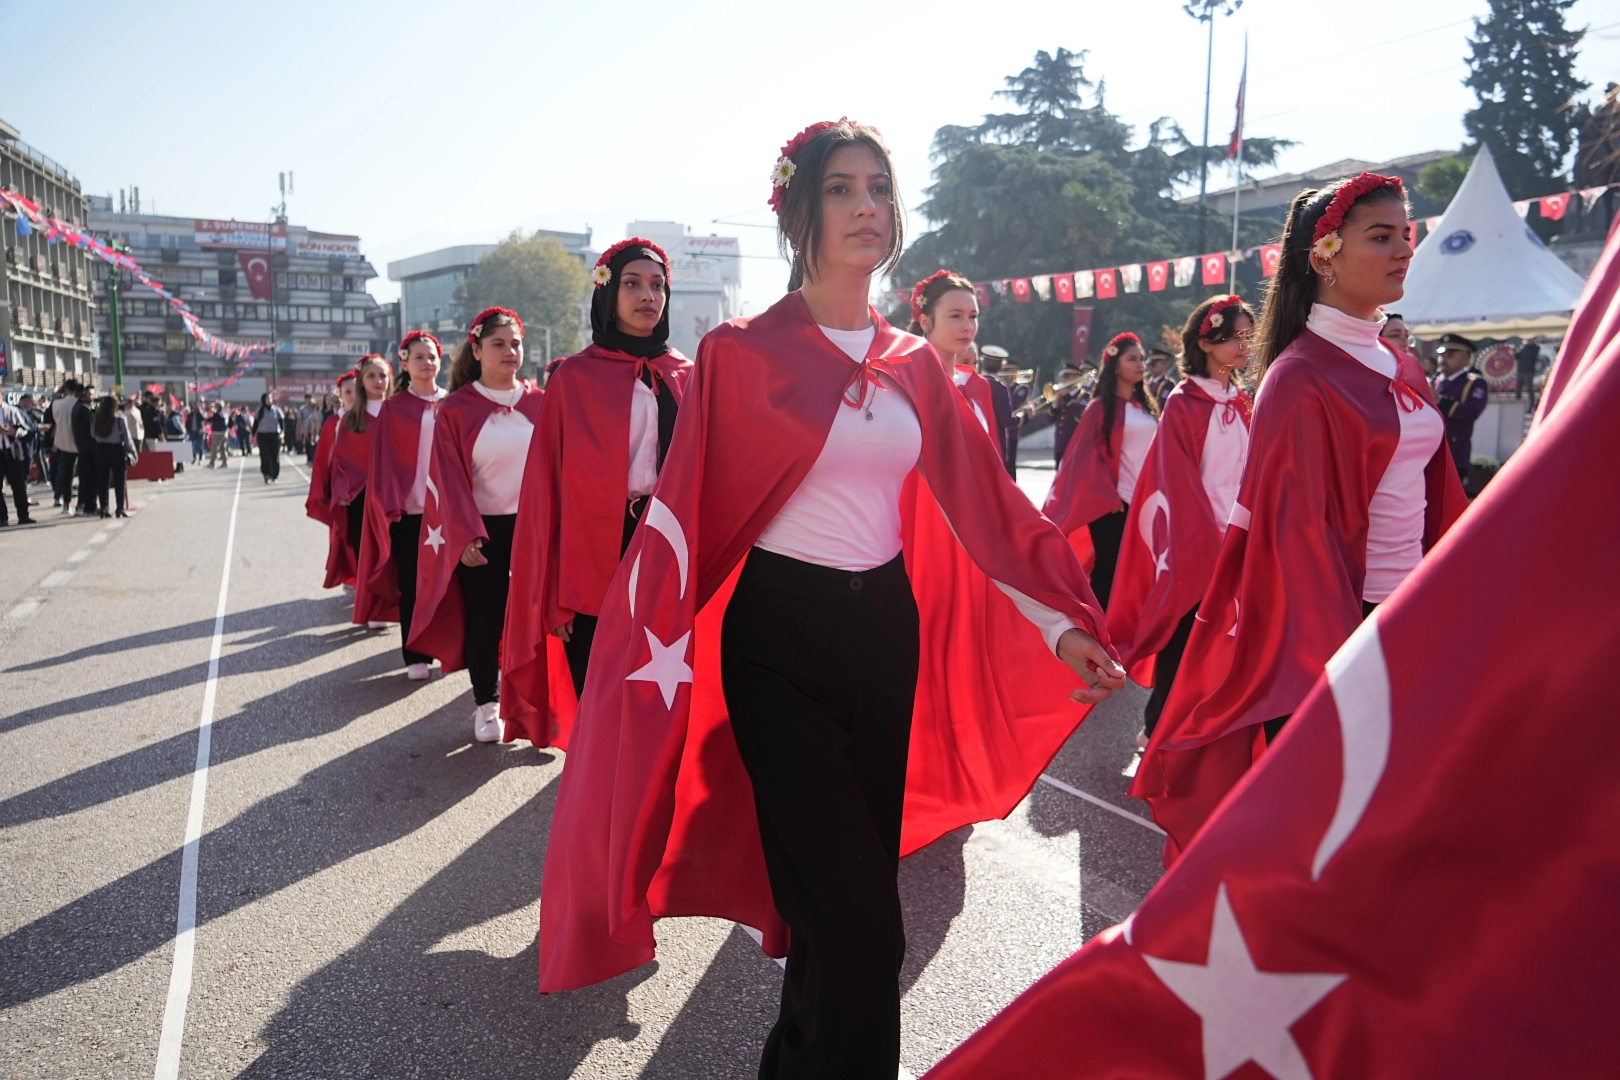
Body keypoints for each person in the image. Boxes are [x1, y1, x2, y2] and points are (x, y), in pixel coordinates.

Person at [537, 118, 1123, 1080]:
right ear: (800, 211)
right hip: (778, 648)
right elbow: (685, 515)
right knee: (861, 927)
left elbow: (987, 504)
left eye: (880, 189)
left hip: (885, 640)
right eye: (844, 188)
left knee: (829, 923)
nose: (867, 207)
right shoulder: (740, 352)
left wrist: (1060, 624)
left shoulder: (913, 361)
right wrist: (625, 643)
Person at [1131, 172, 1468, 865]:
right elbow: (1298, 543)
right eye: (1382, 236)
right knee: (1327, 850)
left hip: (1409, 620)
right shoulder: (1299, 375)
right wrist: (1347, 662)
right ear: (1325, 254)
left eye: (1406, 234)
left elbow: (1446, 507)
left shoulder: (1402, 367)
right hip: (1340, 641)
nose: (1404, 249)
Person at [501, 239, 694, 748]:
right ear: (608, 294)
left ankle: (646, 814)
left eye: (657, 286)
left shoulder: (687, 376)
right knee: (599, 695)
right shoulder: (574, 379)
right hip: (592, 557)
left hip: (667, 550)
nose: (647, 295)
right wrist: (556, 597)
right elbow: (547, 493)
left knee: (661, 691)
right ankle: (599, 814)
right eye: (632, 284)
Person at [1105, 296, 1254, 752]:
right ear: (1206, 340)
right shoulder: (1184, 402)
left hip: (1242, 541)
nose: (1244, 346)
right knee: (1184, 638)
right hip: (1197, 544)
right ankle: (1157, 730)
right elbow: (1177, 480)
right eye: (1235, 336)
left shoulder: (1246, 402)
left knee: (1232, 643)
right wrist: (1206, 542)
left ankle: (1210, 735)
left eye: (1249, 336)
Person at [408, 308, 544, 743]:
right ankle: (487, 704)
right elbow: (446, 477)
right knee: (486, 622)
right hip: (483, 532)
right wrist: (464, 534)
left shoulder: (541, 402)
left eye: (516, 343)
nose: (510, 351)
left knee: (539, 619)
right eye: (499, 344)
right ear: (478, 350)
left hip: (536, 531)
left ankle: (538, 705)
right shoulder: (457, 409)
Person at [1042, 331, 1161, 610]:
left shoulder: (1146, 407)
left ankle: (1127, 628)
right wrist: (1108, 497)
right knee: (1109, 569)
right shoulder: (1099, 409)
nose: (1140, 364)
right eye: (1132, 359)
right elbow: (1082, 459)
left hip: (1144, 503)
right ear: (1115, 365)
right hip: (1112, 505)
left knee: (1139, 569)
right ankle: (1099, 627)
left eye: (1142, 359)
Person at [354, 332, 447, 680]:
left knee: (445, 584)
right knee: (412, 583)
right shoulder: (394, 408)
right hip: (409, 514)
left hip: (447, 513)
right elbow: (384, 463)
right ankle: (415, 654)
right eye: (419, 357)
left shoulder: (453, 403)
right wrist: (390, 506)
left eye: (432, 356)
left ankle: (444, 646)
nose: (427, 363)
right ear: (405, 363)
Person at [331, 356, 391, 621]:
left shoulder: (399, 411)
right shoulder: (350, 420)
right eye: (371, 376)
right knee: (365, 551)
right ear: (361, 382)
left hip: (393, 495)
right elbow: (341, 460)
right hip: (360, 496)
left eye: (383, 375)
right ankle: (372, 607)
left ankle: (387, 606)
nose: (378, 381)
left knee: (392, 552)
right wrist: (343, 491)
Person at [908, 269, 998, 438]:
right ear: (925, 322)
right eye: (956, 316)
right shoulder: (908, 385)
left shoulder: (978, 385)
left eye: (973, 316)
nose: (968, 327)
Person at [307, 371, 361, 591]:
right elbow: (322, 460)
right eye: (348, 392)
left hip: (367, 489)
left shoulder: (376, 418)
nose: (353, 395)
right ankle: (352, 578)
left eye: (357, 390)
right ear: (340, 395)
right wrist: (322, 490)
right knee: (344, 535)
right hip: (342, 491)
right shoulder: (334, 422)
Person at [1432, 333, 1489, 478]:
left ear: (1466, 359)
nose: (1444, 359)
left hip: (1454, 454)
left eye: (1450, 355)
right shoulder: (1433, 382)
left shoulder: (1474, 383)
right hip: (1428, 452)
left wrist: (1439, 400)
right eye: (1442, 355)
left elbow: (1471, 412)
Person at [88, 395, 136, 519]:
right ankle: (120, 508)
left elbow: (93, 434)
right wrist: (133, 452)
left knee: (103, 480)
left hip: (101, 449)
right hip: (116, 450)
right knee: (120, 481)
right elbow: (127, 438)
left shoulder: (95, 418)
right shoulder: (120, 419)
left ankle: (104, 508)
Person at [978, 344, 1018, 476]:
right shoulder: (1000, 388)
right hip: (995, 444)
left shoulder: (973, 383)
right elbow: (1007, 420)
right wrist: (1024, 416)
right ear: (1001, 366)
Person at [0, 396, 34, 525]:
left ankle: (23, 515)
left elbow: (26, 429)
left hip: (12, 452)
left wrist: (13, 432)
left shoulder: (12, 411)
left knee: (18, 485)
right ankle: (2, 517)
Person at [1045, 363, 1089, 465]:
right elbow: (1050, 419)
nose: (1063, 380)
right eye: (1062, 377)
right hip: (1060, 444)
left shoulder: (1084, 395)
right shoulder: (1060, 396)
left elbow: (1079, 414)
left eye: (1066, 377)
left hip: (1075, 444)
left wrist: (1068, 397)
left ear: (1076, 378)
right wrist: (1055, 405)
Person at [49, 381, 79, 511]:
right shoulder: (80, 403)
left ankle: (66, 502)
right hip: (80, 441)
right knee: (85, 472)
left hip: (63, 441)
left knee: (66, 472)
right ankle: (84, 503)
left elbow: (56, 420)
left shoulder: (57, 404)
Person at [71, 385, 97, 516]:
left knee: (87, 478)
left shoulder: (81, 407)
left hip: (85, 447)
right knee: (90, 478)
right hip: (88, 447)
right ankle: (89, 506)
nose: (93, 397)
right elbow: (93, 420)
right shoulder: (82, 409)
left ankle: (86, 505)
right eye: (90, 394)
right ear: (82, 394)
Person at [252, 392, 284, 483]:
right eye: (267, 399)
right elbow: (255, 424)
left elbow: (282, 423)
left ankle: (275, 475)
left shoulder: (277, 410)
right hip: (263, 435)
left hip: (274, 435)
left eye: (270, 398)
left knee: (274, 456)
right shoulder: (260, 411)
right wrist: (253, 435)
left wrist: (282, 433)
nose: (269, 400)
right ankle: (266, 475)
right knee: (264, 455)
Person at [1515, 337, 1540, 402]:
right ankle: (1518, 398)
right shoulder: (1523, 347)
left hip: (1529, 371)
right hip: (1521, 370)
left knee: (1529, 388)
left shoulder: (1535, 348)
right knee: (1518, 386)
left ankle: (1531, 403)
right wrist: (1515, 353)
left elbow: (1533, 356)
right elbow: (1518, 357)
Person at [205, 404, 230, 468]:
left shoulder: (218, 414)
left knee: (214, 448)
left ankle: (212, 463)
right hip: (224, 432)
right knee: (223, 448)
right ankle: (225, 463)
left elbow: (210, 420)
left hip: (218, 433)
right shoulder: (225, 413)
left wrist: (208, 416)